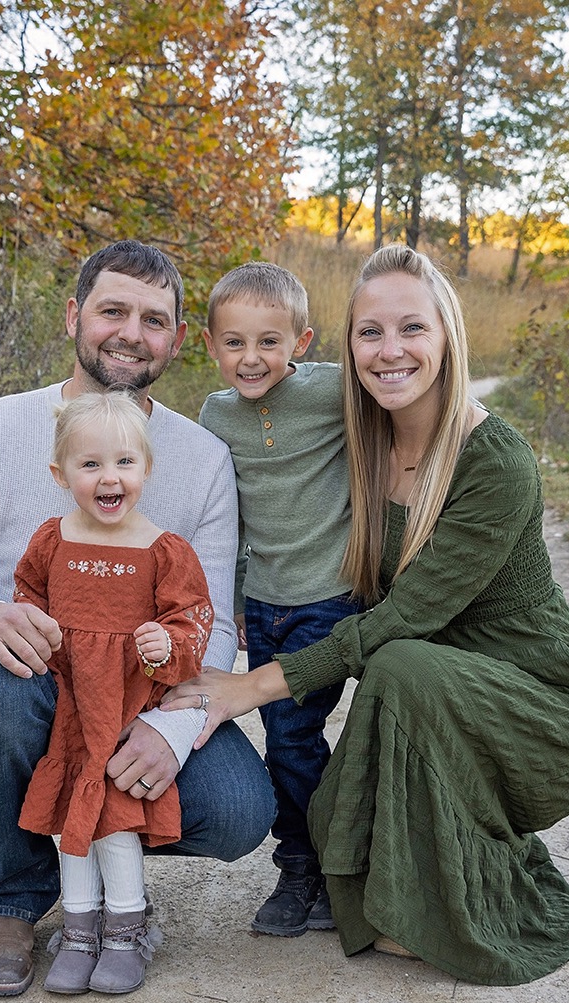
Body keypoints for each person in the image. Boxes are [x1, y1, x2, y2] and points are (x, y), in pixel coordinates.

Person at [171, 244, 569, 985]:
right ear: (346, 348)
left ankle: (461, 885)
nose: (390, 351)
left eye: (412, 328)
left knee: (398, 659)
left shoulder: (494, 461)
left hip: (544, 711)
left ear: (447, 335)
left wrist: (251, 686)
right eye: (370, 332)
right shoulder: (358, 437)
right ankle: (388, 871)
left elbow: (401, 618)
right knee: (324, 813)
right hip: (431, 695)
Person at [0, 240, 276, 997]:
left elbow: (213, 622)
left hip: (141, 692)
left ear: (174, 340)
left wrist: (172, 727)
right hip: (33, 689)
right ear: (74, 316)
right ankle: (8, 897)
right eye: (113, 311)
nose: (131, 333)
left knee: (237, 810)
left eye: (154, 320)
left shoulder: (198, 457)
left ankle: (106, 862)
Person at [13, 392, 213, 994]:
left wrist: (165, 643)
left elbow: (194, 618)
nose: (109, 477)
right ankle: (78, 929)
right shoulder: (52, 541)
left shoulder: (162, 550)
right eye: (91, 464)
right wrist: (37, 624)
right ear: (61, 474)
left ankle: (124, 928)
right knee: (75, 815)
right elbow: (27, 592)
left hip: (126, 709)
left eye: (125, 463)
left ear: (146, 470)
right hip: (70, 707)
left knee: (116, 823)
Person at [196, 262, 358, 938]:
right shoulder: (214, 415)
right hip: (263, 603)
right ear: (210, 346)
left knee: (305, 735)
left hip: (331, 596)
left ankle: (326, 866)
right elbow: (222, 515)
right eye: (234, 342)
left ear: (303, 339)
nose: (251, 357)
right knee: (289, 739)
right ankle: (309, 867)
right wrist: (230, 599)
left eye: (270, 341)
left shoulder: (334, 393)